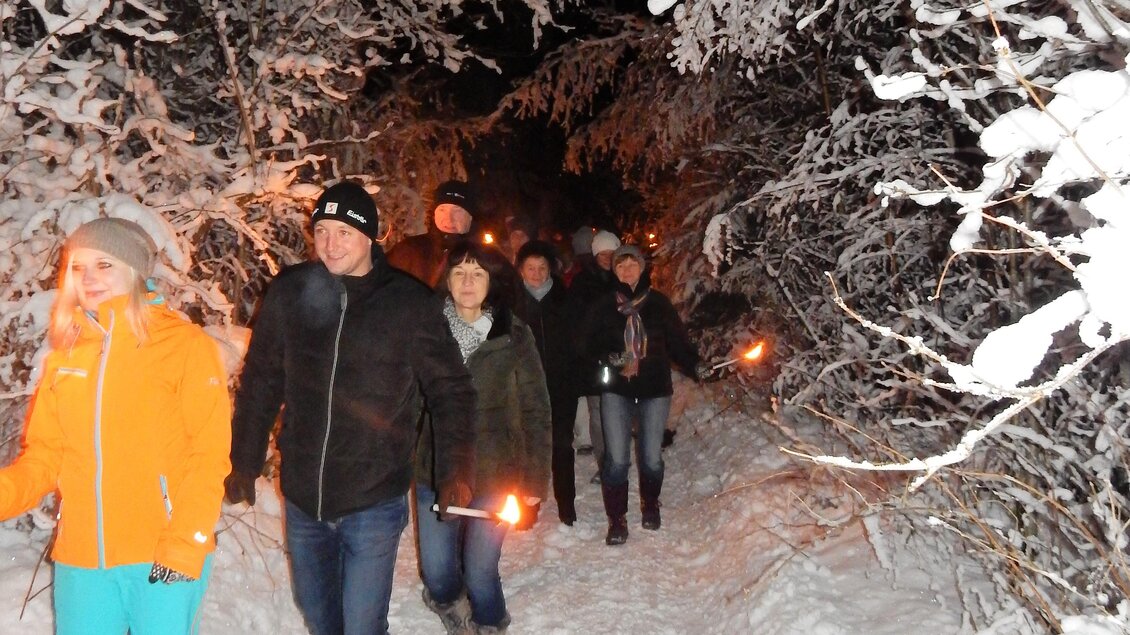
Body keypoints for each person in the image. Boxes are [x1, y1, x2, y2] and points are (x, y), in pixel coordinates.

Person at [224, 181, 476, 635]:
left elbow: (451, 390)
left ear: (370, 236)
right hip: (304, 497)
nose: (330, 244)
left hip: (373, 499)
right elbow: (261, 380)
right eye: (322, 230)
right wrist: (244, 461)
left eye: (344, 231)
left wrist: (455, 470)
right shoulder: (291, 294)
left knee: (361, 625)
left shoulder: (408, 303)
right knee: (321, 619)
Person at [0, 217, 231, 634]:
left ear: (134, 270)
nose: (87, 278)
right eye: (77, 266)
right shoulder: (66, 358)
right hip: (82, 560)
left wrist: (183, 546)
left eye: (104, 264)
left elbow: (208, 457)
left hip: (161, 553)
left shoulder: (184, 347)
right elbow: (47, 456)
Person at [415, 241, 551, 634]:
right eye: (459, 273)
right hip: (436, 469)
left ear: (492, 281)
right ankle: (446, 600)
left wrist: (534, 482)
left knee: (480, 568)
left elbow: (536, 410)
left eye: (477, 273)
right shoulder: (427, 333)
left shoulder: (514, 334)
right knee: (438, 572)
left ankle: (491, 623)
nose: (468, 282)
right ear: (447, 281)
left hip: (498, 470)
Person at [579, 245, 699, 546]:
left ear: (643, 268)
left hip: (654, 389)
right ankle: (617, 519)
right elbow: (584, 344)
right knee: (617, 460)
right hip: (616, 390)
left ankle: (650, 504)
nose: (627, 270)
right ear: (615, 270)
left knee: (651, 458)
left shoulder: (658, 303)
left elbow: (678, 343)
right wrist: (609, 356)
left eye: (633, 264)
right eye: (622, 265)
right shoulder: (603, 305)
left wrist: (699, 366)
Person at [512, 240, 580, 525]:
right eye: (531, 268)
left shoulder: (565, 300)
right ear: (521, 270)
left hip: (561, 384)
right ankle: (528, 506)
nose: (537, 273)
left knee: (561, 444)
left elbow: (579, 341)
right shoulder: (511, 303)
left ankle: (567, 504)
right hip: (524, 388)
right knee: (528, 446)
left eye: (542, 268)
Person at [568, 229, 621, 484]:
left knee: (617, 410)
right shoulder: (582, 283)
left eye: (612, 253)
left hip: (620, 358)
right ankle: (606, 464)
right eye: (603, 253)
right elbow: (577, 323)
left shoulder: (624, 279)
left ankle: (618, 458)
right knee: (599, 413)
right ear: (594, 254)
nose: (607, 258)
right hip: (593, 360)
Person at [387, 180, 479, 287]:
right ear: (434, 215)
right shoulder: (409, 251)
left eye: (457, 211)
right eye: (442, 210)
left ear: (470, 218)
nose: (449, 219)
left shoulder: (482, 259)